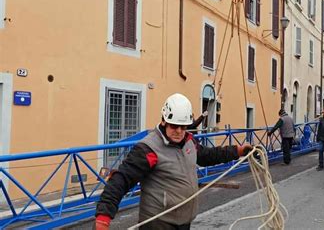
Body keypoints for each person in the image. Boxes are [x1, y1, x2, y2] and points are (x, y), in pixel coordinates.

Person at [95, 93, 252, 230]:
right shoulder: (148, 148)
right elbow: (122, 179)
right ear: (163, 121)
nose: (179, 132)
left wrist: (237, 151)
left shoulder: (189, 141)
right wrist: (104, 217)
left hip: (183, 220)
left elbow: (207, 156)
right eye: (174, 126)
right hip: (158, 223)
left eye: (183, 127)